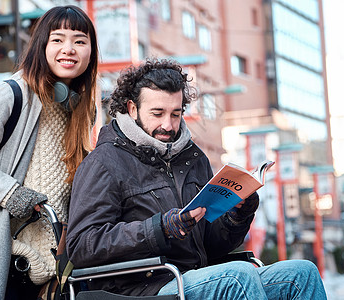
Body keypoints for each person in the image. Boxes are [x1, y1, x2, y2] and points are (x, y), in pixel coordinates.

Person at [66, 58, 328, 299]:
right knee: (237, 276)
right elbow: (82, 245)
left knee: (301, 273)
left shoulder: (193, 158)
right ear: (132, 109)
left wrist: (237, 215)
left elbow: (212, 246)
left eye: (176, 114)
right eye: (157, 114)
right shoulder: (104, 162)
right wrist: (160, 228)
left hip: (194, 276)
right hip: (141, 286)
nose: (168, 125)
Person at [0, 5, 98, 300]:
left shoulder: (81, 111)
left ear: (91, 52)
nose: (69, 49)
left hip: (53, 273)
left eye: (80, 41)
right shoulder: (9, 95)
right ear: (41, 46)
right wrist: (12, 194)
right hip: (2, 262)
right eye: (58, 39)